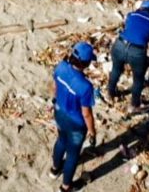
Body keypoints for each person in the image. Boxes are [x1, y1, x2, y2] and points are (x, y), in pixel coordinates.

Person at [49, 41, 97, 192]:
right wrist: (92, 131)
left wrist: (57, 100)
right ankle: (66, 187)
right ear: (86, 63)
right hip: (76, 123)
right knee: (73, 154)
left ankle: (55, 169)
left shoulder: (61, 67)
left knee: (61, 140)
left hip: (59, 112)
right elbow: (86, 113)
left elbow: (55, 87)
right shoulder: (85, 86)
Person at [108, 0, 149, 111]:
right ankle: (134, 105)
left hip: (119, 45)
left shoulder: (131, 15)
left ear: (141, 8)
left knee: (116, 69)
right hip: (137, 52)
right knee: (138, 79)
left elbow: (129, 28)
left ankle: (110, 93)